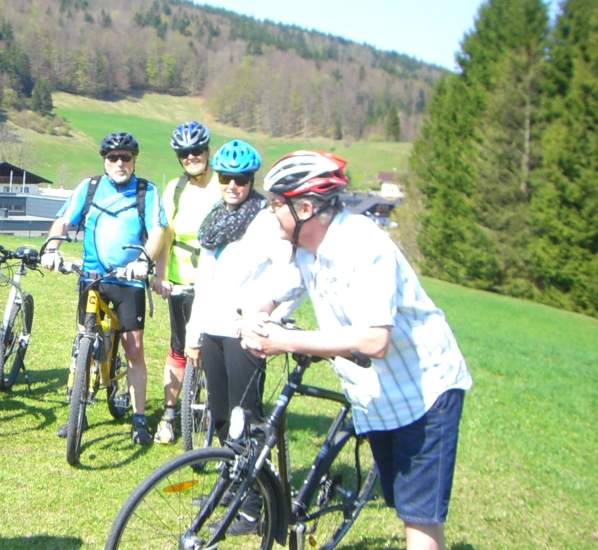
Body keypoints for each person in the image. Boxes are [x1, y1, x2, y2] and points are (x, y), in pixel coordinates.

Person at [241, 150, 473, 550]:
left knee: (418, 519)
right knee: (401, 501)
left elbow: (373, 340)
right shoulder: (306, 249)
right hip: (375, 394)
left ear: (306, 208)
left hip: (424, 390)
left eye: (277, 205)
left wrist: (285, 340)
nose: (270, 214)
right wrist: (253, 318)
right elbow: (274, 291)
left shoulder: (364, 246)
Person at [41, 131, 168, 445]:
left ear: (134, 160)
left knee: (134, 350)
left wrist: (144, 259)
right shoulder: (89, 188)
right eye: (113, 158)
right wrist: (51, 248)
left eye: (126, 157)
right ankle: (77, 412)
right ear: (105, 161)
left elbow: (157, 232)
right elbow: (63, 222)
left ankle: (139, 419)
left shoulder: (146, 191)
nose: (119, 163)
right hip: (93, 278)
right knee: (83, 342)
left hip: (128, 279)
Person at [183, 140, 298, 451]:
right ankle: (229, 484)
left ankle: (251, 497)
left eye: (242, 180)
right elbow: (203, 282)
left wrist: (269, 320)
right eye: (225, 178)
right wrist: (194, 335)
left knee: (244, 415)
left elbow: (294, 272)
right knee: (220, 414)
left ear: (251, 181)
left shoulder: (266, 221)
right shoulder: (214, 219)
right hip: (212, 329)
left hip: (242, 334)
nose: (233, 186)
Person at [151, 122, 222, 445]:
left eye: (197, 151)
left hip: (219, 280)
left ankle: (218, 411)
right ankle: (169, 414)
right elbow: (166, 236)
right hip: (182, 279)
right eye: (185, 154)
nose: (192, 157)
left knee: (218, 347)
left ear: (208, 151)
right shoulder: (175, 190)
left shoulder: (224, 184)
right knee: (179, 347)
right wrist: (161, 275)